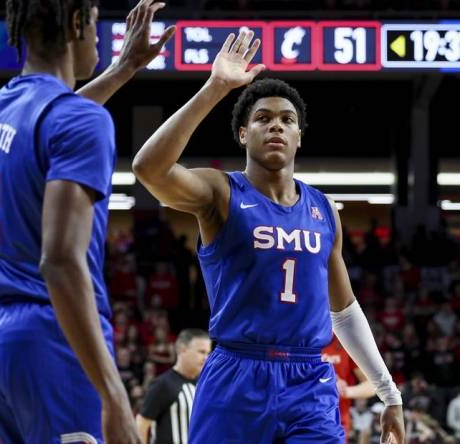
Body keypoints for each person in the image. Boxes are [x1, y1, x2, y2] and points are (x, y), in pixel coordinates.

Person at [132, 30, 405, 443]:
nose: (275, 125)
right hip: (236, 375)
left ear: (299, 137)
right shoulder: (221, 193)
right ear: (243, 134)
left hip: (308, 377)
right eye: (262, 118)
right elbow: (148, 169)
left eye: (286, 120)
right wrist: (216, 88)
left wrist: (389, 394)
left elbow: (344, 311)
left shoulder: (324, 210)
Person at [0, 0, 175, 442]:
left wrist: (122, 71)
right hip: (53, 337)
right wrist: (114, 394)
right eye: (96, 22)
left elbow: (52, 124)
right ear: (78, 23)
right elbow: (60, 261)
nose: (98, 34)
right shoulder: (82, 120)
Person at [136, 329, 211, 444]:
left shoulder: (204, 385)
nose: (206, 358)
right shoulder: (163, 384)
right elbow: (142, 425)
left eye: (208, 353)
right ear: (183, 350)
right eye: (201, 352)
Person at [322, 334, 376, 440]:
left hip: (337, 421)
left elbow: (372, 385)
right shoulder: (301, 338)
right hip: (304, 418)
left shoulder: (347, 342)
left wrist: (345, 391)